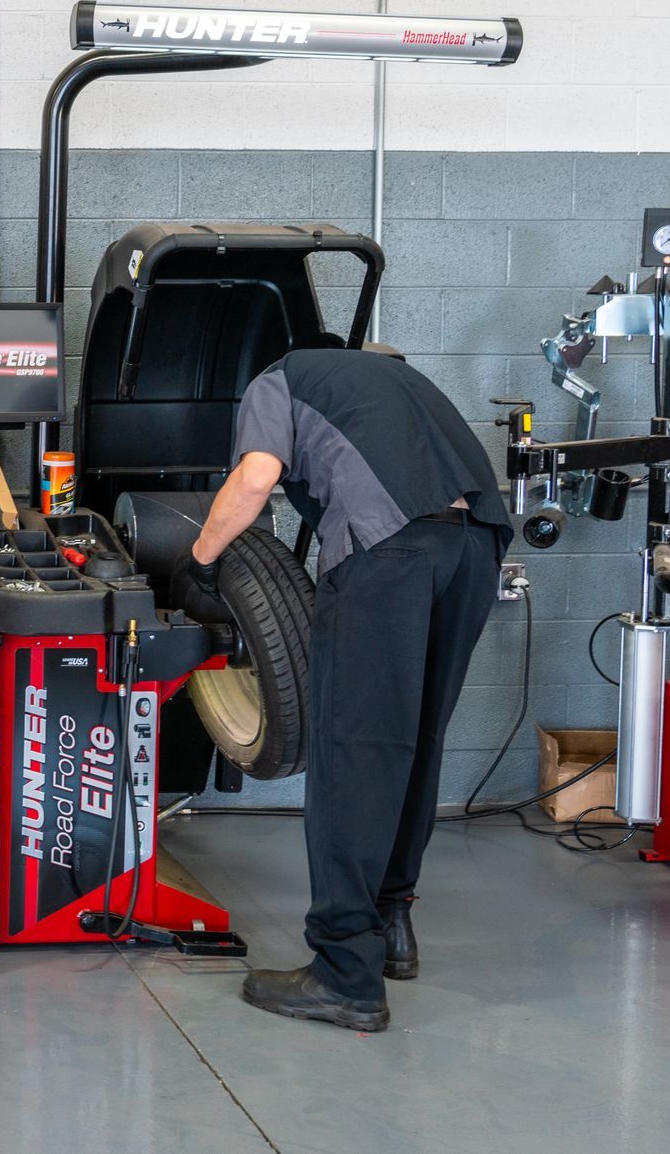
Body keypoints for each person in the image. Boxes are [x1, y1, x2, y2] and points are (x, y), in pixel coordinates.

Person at [181, 347, 511, 1031]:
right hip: (476, 546)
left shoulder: (277, 378)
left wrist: (202, 563)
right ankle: (391, 924)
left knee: (354, 749)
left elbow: (255, 478)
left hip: (389, 550)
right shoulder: (394, 375)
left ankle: (343, 974)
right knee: (415, 740)